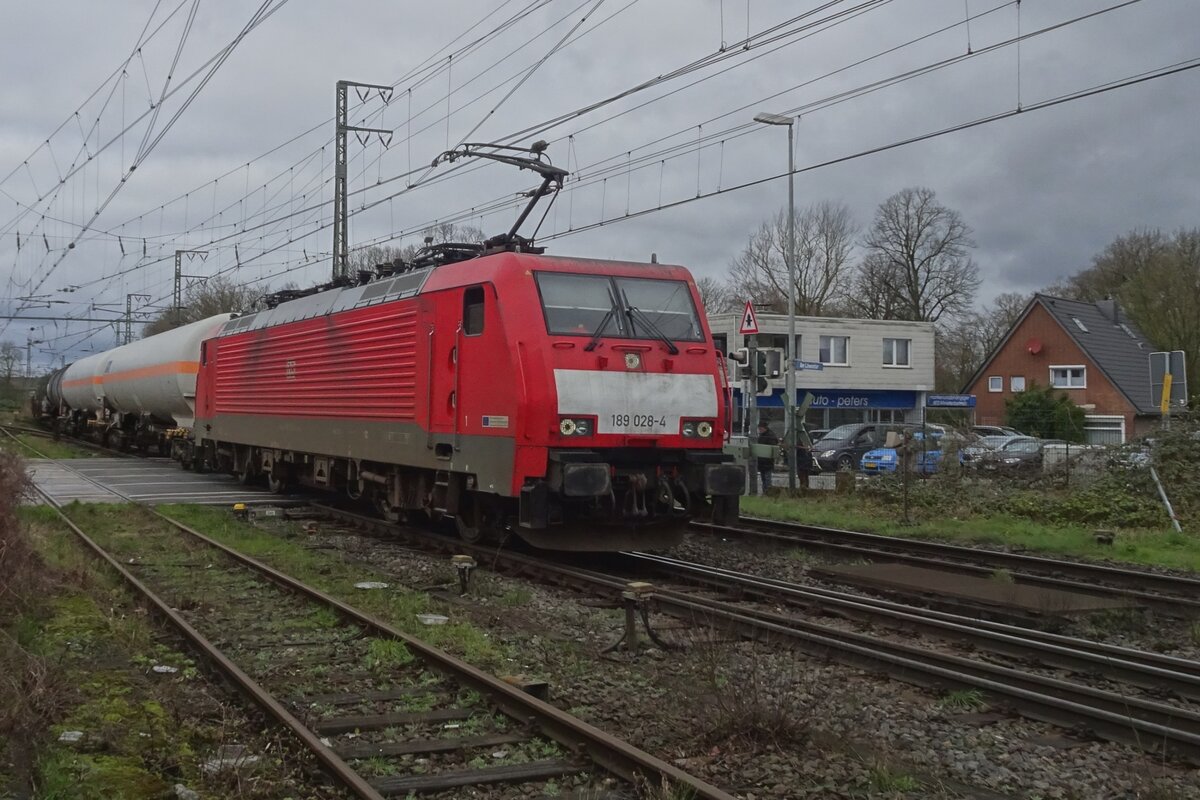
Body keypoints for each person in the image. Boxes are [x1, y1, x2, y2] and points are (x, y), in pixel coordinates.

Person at [756, 421, 778, 493]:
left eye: (760, 428)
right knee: (764, 478)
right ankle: (765, 492)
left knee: (767, 478)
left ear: (764, 428)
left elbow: (772, 448)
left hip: (767, 461)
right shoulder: (763, 435)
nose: (759, 430)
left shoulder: (769, 436)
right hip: (762, 461)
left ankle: (768, 492)